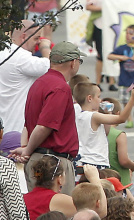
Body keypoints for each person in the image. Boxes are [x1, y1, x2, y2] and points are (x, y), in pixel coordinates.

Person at [13, 42, 84, 191]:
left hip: (40, 158)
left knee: (38, 209)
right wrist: (27, 150)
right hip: (53, 163)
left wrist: (27, 148)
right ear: (73, 62)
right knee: (57, 211)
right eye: (79, 61)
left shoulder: (39, 83)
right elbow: (45, 125)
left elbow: (29, 124)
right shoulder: (60, 87)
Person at [0, 20, 50, 157]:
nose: (38, 43)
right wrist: (46, 47)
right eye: (36, 38)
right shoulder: (21, 58)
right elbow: (53, 68)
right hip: (16, 131)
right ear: (23, 37)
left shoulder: (3, 52)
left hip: (3, 126)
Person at [74, 82, 134, 175]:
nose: (100, 100)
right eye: (98, 97)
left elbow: (106, 132)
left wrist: (107, 112)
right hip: (95, 162)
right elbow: (121, 118)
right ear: (89, 98)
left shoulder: (76, 112)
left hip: (80, 161)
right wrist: (132, 98)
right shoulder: (94, 116)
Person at [107, 25, 134, 128]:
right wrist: (121, 57)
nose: (128, 36)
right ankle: (129, 118)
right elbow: (110, 56)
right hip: (124, 79)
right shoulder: (121, 48)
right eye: (127, 33)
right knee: (125, 100)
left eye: (131, 33)